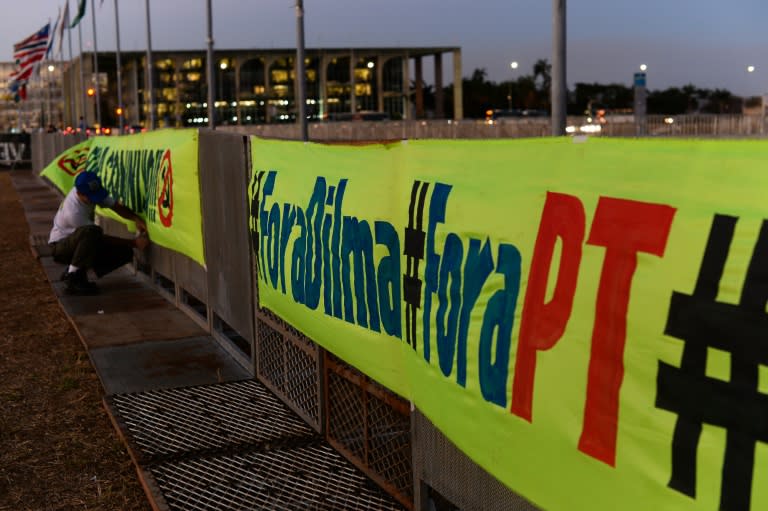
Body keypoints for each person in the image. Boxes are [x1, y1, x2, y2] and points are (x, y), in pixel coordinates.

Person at [48, 171, 150, 295]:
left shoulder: (88, 192)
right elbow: (97, 237)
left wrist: (135, 218)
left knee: (124, 252)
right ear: (79, 193)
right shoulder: (73, 212)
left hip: (78, 243)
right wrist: (134, 242)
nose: (93, 200)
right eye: (90, 197)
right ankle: (73, 277)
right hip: (60, 247)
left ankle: (76, 271)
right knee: (93, 231)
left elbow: (115, 206)